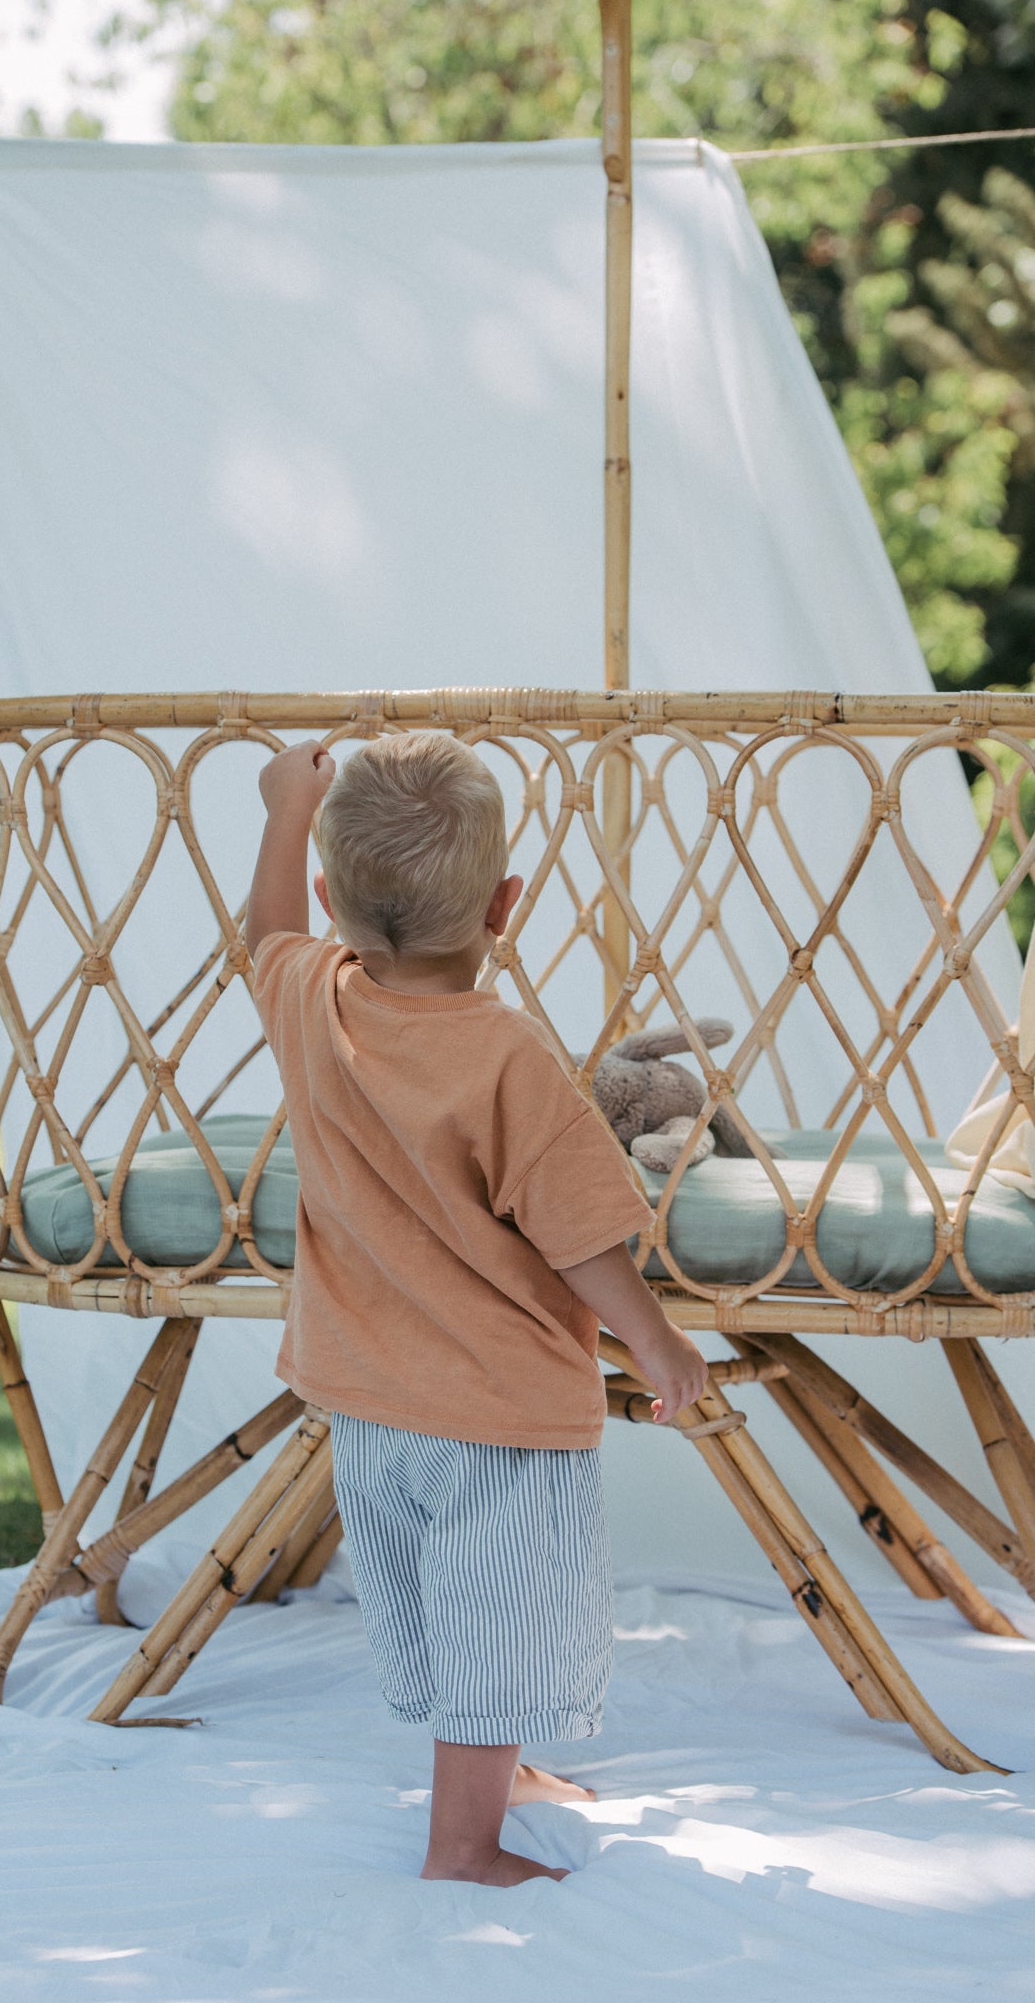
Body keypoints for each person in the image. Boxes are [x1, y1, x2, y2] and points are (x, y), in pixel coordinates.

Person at [246, 732, 708, 1888]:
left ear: (328, 900)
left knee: (445, 1609)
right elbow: (579, 1232)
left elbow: (261, 933)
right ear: (505, 903)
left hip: (366, 1400)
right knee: (500, 1625)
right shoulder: (507, 1055)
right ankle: (462, 1844)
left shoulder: (308, 995)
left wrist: (283, 806)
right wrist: (652, 1336)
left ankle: (496, 1773)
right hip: (495, 1411)